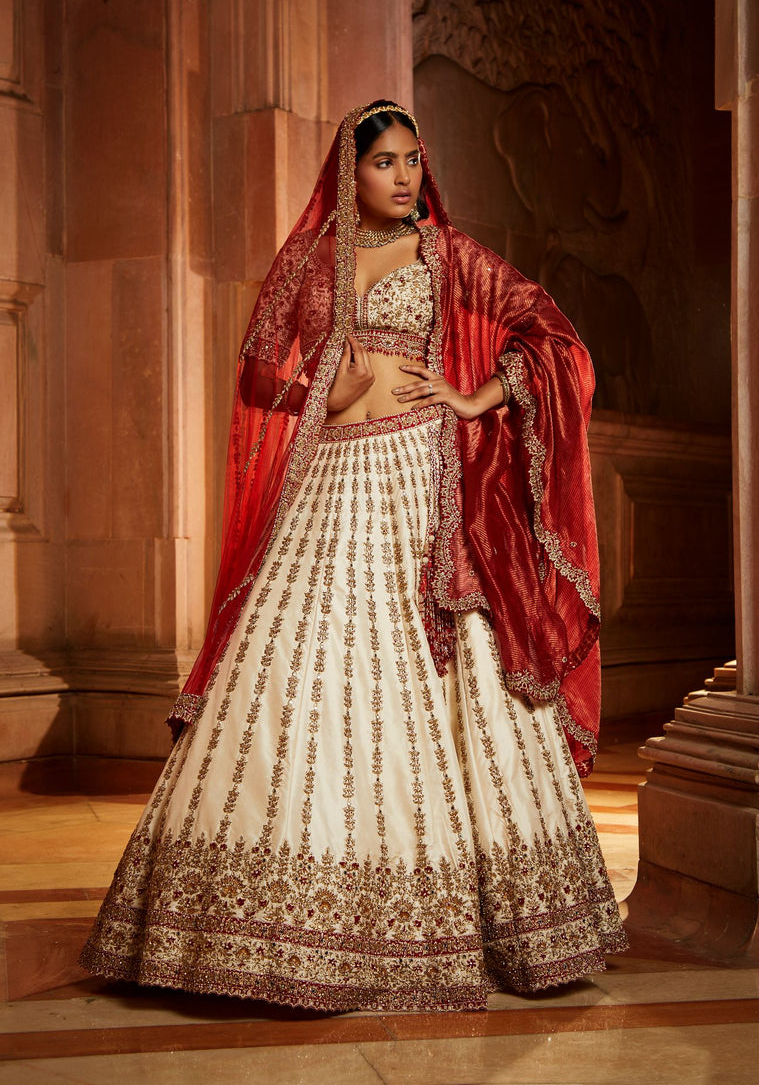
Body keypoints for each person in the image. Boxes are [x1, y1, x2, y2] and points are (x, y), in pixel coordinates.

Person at [79, 101, 627, 1011]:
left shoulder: (448, 257)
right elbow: (260, 368)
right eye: (385, 162)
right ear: (350, 172)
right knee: (300, 662)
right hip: (331, 478)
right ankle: (259, 927)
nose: (405, 176)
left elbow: (555, 339)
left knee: (430, 664)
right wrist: (321, 384)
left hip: (420, 482)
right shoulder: (311, 258)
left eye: (414, 159)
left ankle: (480, 921)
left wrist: (474, 396)